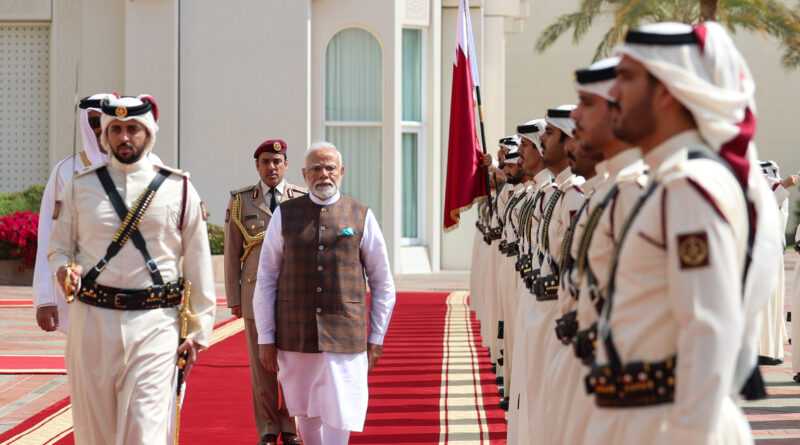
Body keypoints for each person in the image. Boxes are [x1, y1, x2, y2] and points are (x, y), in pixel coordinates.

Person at [583, 22, 780, 444]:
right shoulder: (670, 179)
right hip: (640, 419)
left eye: (627, 78)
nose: (613, 93)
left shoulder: (690, 184)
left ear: (668, 89)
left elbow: (710, 331)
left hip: (668, 425)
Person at [48, 95, 217, 444]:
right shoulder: (80, 186)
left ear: (149, 133)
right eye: (116, 129)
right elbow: (59, 248)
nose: (125, 137)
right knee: (96, 432)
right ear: (105, 136)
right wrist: (64, 270)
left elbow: (199, 263)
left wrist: (197, 332)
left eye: (133, 129)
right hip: (92, 324)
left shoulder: (178, 188)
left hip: (156, 325)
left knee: (145, 430)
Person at [253, 141, 396, 445]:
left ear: (341, 172)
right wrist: (265, 337)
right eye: (316, 168)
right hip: (295, 335)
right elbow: (265, 279)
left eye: (330, 167)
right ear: (304, 174)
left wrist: (377, 337)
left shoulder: (361, 215)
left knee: (340, 410)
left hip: (346, 337)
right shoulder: (285, 215)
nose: (324, 174)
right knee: (304, 407)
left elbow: (383, 282)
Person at [33, 93, 164, 333]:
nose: (99, 129)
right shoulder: (67, 171)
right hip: (87, 285)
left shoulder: (152, 166)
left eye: (105, 121)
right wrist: (46, 297)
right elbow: (51, 235)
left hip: (139, 283)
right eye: (93, 122)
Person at [224, 139, 305, 445]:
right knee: (262, 369)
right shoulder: (241, 201)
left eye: (277, 161)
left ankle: (292, 427)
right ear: (257, 166)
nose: (272, 167)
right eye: (266, 162)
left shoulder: (301, 199)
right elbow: (233, 254)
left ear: (286, 165)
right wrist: (233, 298)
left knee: (293, 365)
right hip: (255, 294)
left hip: (294, 298)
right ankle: (269, 429)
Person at [756, 160, 798, 365]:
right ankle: (761, 351)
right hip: (760, 255)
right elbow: (761, 213)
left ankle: (770, 349)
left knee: (774, 302)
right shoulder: (758, 189)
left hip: (774, 254)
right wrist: (782, 188)